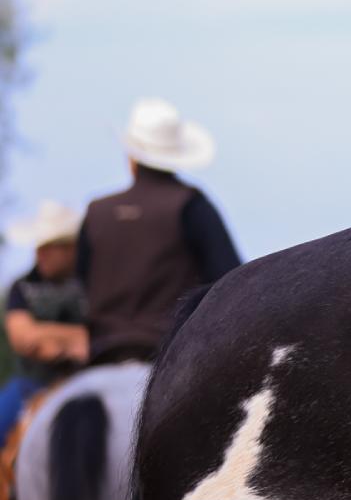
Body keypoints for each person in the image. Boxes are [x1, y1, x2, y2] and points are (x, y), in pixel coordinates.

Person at [77, 98, 241, 364]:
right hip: (171, 358)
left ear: (131, 157)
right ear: (176, 157)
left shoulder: (96, 212)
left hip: (101, 354)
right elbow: (230, 282)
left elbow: (82, 284)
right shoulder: (191, 205)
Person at [0, 201, 87, 432]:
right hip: (32, 384)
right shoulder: (23, 287)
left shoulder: (93, 284)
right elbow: (24, 338)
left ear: (71, 248)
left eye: (50, 246)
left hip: (89, 378)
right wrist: (79, 339)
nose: (41, 253)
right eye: (39, 246)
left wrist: (46, 334)